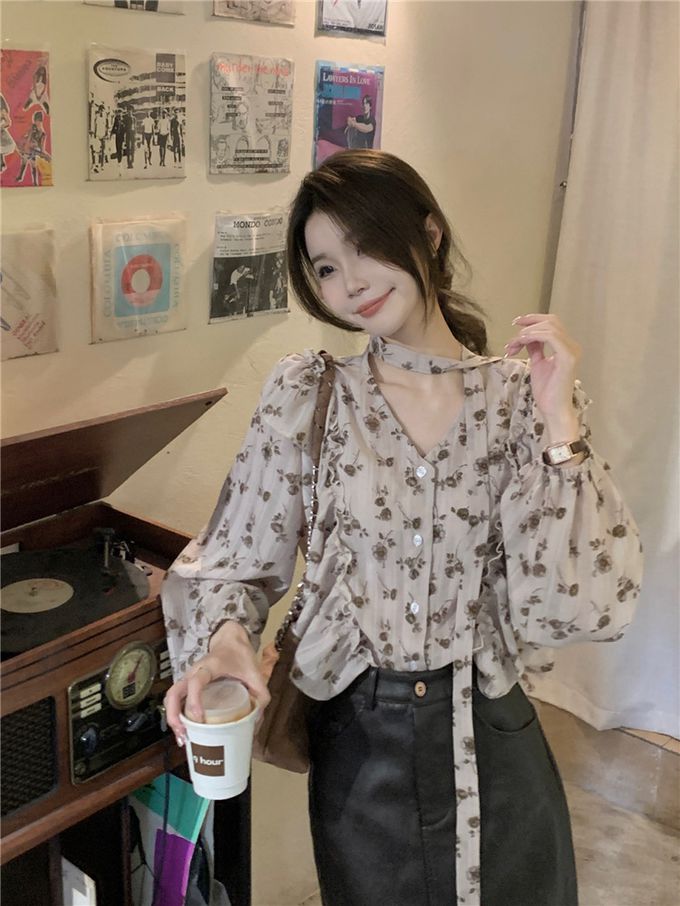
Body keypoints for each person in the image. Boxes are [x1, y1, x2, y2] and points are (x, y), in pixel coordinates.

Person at [162, 151, 643, 906]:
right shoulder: (311, 394)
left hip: (494, 738)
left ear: (430, 234)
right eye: (326, 267)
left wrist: (560, 424)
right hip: (361, 753)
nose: (350, 282)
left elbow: (581, 608)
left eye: (366, 247)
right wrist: (225, 645)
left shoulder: (519, 400)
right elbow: (232, 561)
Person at [15, 110, 50, 186]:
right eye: (35, 121)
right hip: (28, 148)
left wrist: (43, 154)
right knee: (25, 162)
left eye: (37, 121)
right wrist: (25, 146)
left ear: (40, 121)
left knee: (31, 163)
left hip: (33, 150)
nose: (36, 122)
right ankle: (22, 177)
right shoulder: (32, 127)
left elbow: (42, 148)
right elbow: (27, 138)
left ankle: (33, 181)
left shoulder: (43, 134)